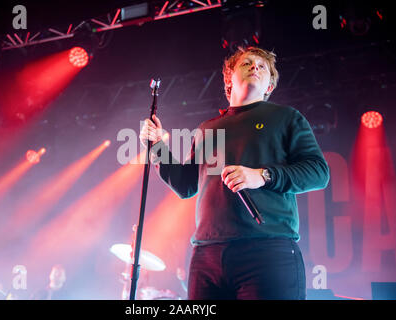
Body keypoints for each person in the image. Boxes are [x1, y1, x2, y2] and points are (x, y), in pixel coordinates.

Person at [139, 46, 330, 300]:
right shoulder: (208, 128)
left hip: (267, 249)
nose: (255, 67)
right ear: (229, 78)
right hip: (206, 255)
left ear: (269, 86)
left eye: (262, 67)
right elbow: (186, 185)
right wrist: (157, 148)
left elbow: (318, 172)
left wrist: (262, 175)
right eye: (247, 63)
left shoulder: (286, 118)